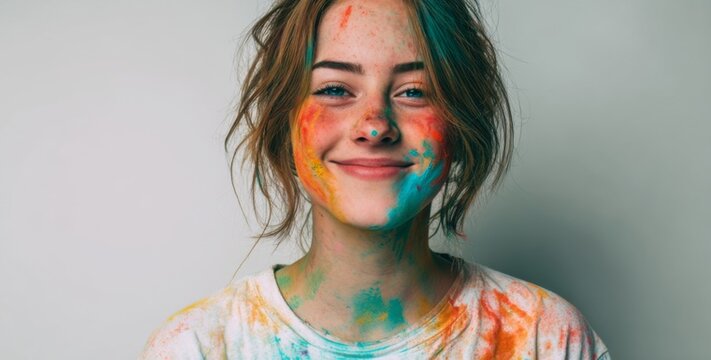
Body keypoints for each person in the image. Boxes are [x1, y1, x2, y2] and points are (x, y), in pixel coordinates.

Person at [141, 0, 610, 358]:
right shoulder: (198, 346)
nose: (374, 125)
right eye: (335, 89)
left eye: (414, 92)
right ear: (284, 123)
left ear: (460, 124)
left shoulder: (544, 337)